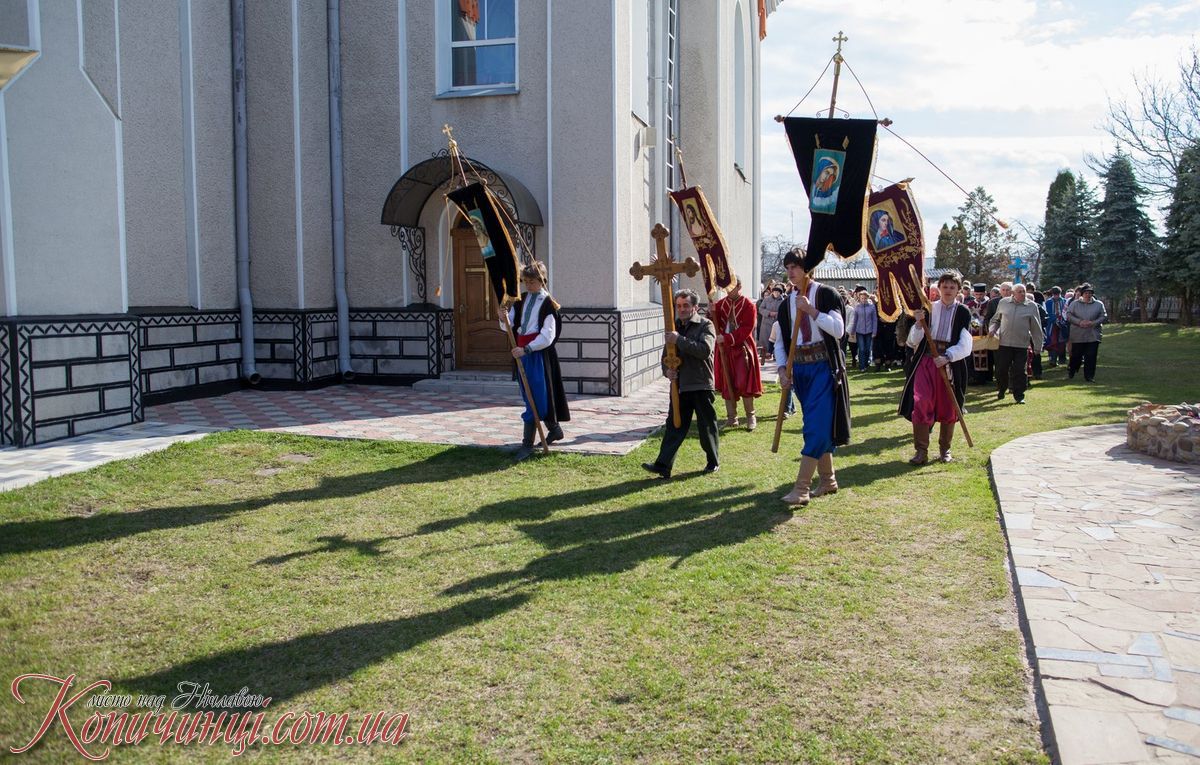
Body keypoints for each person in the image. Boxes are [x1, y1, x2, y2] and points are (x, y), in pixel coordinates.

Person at [773, 249, 850, 507]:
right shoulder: (786, 304)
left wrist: (812, 311)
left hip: (824, 368)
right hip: (801, 371)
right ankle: (828, 480)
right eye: (788, 267)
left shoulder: (826, 294)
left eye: (796, 266)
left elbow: (838, 330)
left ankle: (801, 488)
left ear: (808, 268)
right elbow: (781, 342)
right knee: (817, 424)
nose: (791, 272)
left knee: (815, 428)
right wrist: (782, 370)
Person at [642, 289, 719, 478]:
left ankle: (712, 462)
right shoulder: (674, 326)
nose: (682, 309)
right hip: (680, 386)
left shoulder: (705, 325)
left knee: (706, 426)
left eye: (686, 305)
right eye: (678, 306)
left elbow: (704, 350)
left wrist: (679, 339)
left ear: (695, 307)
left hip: (701, 384)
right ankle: (663, 465)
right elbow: (666, 356)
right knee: (674, 426)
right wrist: (667, 371)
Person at [900, 274, 973, 464]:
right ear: (939, 288)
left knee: (948, 406)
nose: (948, 290)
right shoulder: (929, 308)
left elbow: (966, 343)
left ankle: (945, 450)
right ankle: (921, 451)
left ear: (958, 290)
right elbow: (912, 341)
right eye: (945, 287)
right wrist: (918, 324)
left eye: (952, 287)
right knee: (921, 402)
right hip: (926, 362)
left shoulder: (963, 312)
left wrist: (948, 356)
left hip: (949, 363)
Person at [507, 262, 570, 458]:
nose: (528, 285)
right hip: (521, 352)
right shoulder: (520, 300)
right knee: (529, 394)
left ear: (542, 281)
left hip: (537, 355)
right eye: (525, 281)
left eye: (532, 282)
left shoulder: (549, 304)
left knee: (536, 397)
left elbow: (547, 337)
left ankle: (527, 444)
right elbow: (510, 325)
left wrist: (527, 349)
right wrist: (503, 318)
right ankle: (554, 429)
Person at [712, 279, 763, 430]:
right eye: (726, 287)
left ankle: (750, 416)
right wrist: (711, 312)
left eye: (731, 287)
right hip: (725, 349)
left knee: (744, 383)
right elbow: (714, 323)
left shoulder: (748, 305)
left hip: (742, 349)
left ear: (739, 286)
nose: (728, 290)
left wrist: (728, 338)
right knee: (727, 383)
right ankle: (731, 418)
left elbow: (747, 328)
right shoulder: (720, 304)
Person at [988, 283, 1043, 404]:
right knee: (1001, 369)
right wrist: (992, 329)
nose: (1023, 294)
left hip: (1021, 344)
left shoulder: (1031, 306)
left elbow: (1036, 328)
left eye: (1024, 291)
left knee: (1019, 371)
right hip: (1004, 344)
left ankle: (1019, 395)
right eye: (1020, 292)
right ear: (1013, 293)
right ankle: (1002, 389)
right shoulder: (1003, 303)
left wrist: (1038, 346)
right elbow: (996, 319)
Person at [1064, 283, 1108, 382]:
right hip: (1078, 335)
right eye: (1086, 293)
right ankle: (1072, 370)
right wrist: (1079, 322)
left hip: (1093, 335)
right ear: (1082, 294)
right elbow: (1069, 315)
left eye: (1090, 293)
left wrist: (1093, 323)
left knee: (1091, 356)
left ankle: (1089, 376)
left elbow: (1103, 316)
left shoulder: (1099, 304)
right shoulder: (1074, 304)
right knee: (1076, 355)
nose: (1088, 295)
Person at [851, 289, 877, 371]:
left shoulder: (872, 307)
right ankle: (862, 366)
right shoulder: (857, 307)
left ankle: (866, 363)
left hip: (869, 331)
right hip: (859, 331)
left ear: (867, 298)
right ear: (859, 298)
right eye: (862, 298)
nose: (863, 300)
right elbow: (855, 320)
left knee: (868, 349)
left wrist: (874, 331)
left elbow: (874, 320)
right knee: (861, 349)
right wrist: (852, 331)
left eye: (865, 298)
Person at [757, 285, 783, 362]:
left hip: (777, 323)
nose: (776, 293)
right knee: (765, 340)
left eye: (778, 292)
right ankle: (764, 356)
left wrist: (777, 314)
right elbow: (761, 309)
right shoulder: (767, 299)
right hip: (766, 323)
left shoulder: (782, 301)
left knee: (776, 339)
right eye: (775, 292)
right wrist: (769, 313)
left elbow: (784, 311)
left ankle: (775, 354)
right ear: (772, 292)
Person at [1044, 286, 1068, 367]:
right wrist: (1055, 319)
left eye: (1058, 294)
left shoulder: (1064, 301)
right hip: (1052, 324)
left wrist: (1062, 320)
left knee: (1062, 341)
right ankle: (1053, 359)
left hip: (1062, 324)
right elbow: (1047, 313)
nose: (1056, 296)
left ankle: (1062, 358)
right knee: (1052, 341)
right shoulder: (1048, 302)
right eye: (1054, 294)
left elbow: (1065, 312)